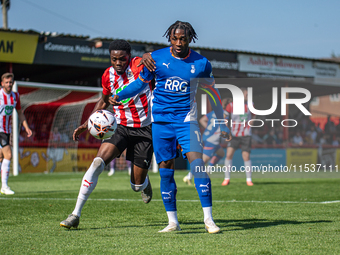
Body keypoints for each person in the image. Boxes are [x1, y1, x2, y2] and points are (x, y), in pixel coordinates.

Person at [111, 21, 231, 234]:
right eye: (174, 38)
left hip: (186, 121)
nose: (178, 43)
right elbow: (140, 84)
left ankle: (209, 220)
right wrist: (119, 95)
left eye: (182, 39)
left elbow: (213, 93)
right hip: (161, 123)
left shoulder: (201, 63)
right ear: (169, 38)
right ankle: (173, 222)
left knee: (198, 166)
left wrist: (221, 121)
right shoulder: (156, 58)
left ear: (189, 39)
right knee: (166, 172)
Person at [60, 40, 154, 229]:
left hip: (145, 129)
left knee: (136, 185)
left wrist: (148, 55)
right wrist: (86, 124)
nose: (118, 63)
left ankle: (143, 183)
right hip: (120, 127)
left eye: (122, 59)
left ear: (129, 57)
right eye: (114, 59)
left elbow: (155, 61)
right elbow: (103, 102)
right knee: (97, 163)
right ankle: (75, 214)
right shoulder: (107, 76)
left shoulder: (138, 65)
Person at [183, 98, 229, 185]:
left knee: (221, 153)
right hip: (213, 139)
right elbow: (225, 125)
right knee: (203, 160)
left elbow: (202, 120)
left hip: (207, 136)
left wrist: (208, 128)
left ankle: (208, 169)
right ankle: (188, 176)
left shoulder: (213, 112)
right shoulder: (225, 114)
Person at [0, 73, 32, 194]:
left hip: (6, 130)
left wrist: (27, 127)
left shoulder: (15, 96)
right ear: (2, 83)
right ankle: (5, 186)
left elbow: (20, 113)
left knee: (1, 157)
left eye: (10, 82)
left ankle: (3, 186)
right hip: (0, 130)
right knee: (8, 155)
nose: (9, 84)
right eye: (6, 82)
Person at [222, 87, 254, 186]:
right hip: (234, 134)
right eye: (246, 94)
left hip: (246, 134)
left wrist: (252, 122)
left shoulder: (250, 105)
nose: (247, 96)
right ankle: (226, 179)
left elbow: (254, 116)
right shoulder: (231, 106)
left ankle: (249, 179)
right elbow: (225, 117)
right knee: (228, 155)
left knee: (246, 156)